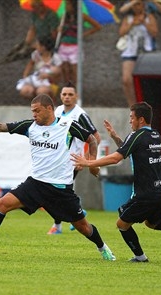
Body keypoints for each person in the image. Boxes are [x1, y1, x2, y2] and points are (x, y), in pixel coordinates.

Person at [0, 94, 116, 261]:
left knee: (83, 227)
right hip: (35, 184)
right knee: (2, 204)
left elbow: (92, 139)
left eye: (37, 111)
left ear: (49, 109)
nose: (34, 115)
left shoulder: (67, 125)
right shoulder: (29, 126)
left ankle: (103, 248)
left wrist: (92, 162)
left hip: (60, 189)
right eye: (32, 111)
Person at [71, 102, 161, 262]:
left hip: (145, 192)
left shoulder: (136, 135)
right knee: (153, 223)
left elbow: (117, 158)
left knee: (122, 224)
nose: (130, 121)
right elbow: (131, 150)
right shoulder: (155, 135)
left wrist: (89, 162)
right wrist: (116, 137)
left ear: (141, 120)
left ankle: (140, 257)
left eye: (132, 118)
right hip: (159, 189)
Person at [47, 82, 101, 234]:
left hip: (72, 161)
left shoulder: (80, 115)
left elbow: (95, 137)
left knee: (58, 191)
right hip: (57, 159)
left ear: (76, 96)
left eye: (70, 94)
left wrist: (87, 160)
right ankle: (77, 212)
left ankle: (59, 225)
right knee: (59, 192)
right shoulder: (57, 111)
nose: (67, 97)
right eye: (64, 94)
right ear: (60, 96)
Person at [118, 0, 157, 107]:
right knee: (126, 79)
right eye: (134, 5)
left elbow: (154, 33)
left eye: (138, 4)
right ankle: (132, 105)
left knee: (146, 80)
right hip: (130, 51)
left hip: (145, 51)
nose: (136, 7)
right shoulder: (128, 18)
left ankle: (146, 103)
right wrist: (132, 24)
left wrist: (144, 23)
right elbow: (121, 33)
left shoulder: (149, 17)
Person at [57, 0, 101, 85]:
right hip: (63, 45)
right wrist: (59, 30)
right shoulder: (64, 17)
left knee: (75, 70)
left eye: (68, 4)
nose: (66, 6)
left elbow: (97, 26)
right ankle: (67, 88)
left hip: (75, 46)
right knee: (65, 70)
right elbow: (60, 32)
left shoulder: (82, 16)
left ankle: (77, 90)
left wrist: (83, 35)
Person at [17, 36, 62, 100]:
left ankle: (51, 101)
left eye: (37, 45)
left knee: (41, 92)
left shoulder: (55, 58)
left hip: (50, 83)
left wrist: (48, 75)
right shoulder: (35, 54)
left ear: (43, 47)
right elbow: (30, 65)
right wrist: (25, 76)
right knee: (25, 91)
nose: (35, 46)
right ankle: (34, 104)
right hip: (36, 80)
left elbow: (59, 72)